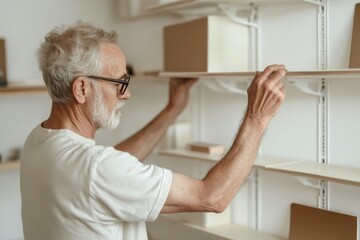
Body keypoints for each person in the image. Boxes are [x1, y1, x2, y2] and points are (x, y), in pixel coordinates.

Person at [20, 21, 286, 240]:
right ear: (81, 89)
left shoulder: (38, 141)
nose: (127, 94)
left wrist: (172, 109)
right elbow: (212, 197)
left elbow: (109, 166)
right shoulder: (98, 169)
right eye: (120, 82)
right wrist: (256, 117)